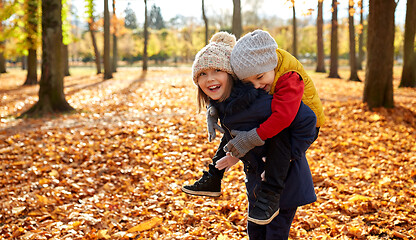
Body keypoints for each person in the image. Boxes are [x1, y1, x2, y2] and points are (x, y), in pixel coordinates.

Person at [182, 31, 318, 229]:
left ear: (231, 75)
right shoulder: (231, 105)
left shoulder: (264, 100)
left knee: (273, 233)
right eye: (202, 74)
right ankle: (213, 178)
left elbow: (306, 120)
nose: (209, 79)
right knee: (255, 231)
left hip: (282, 183)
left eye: (217, 71)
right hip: (257, 182)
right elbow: (237, 134)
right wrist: (234, 153)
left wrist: (286, 156)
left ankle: (222, 180)